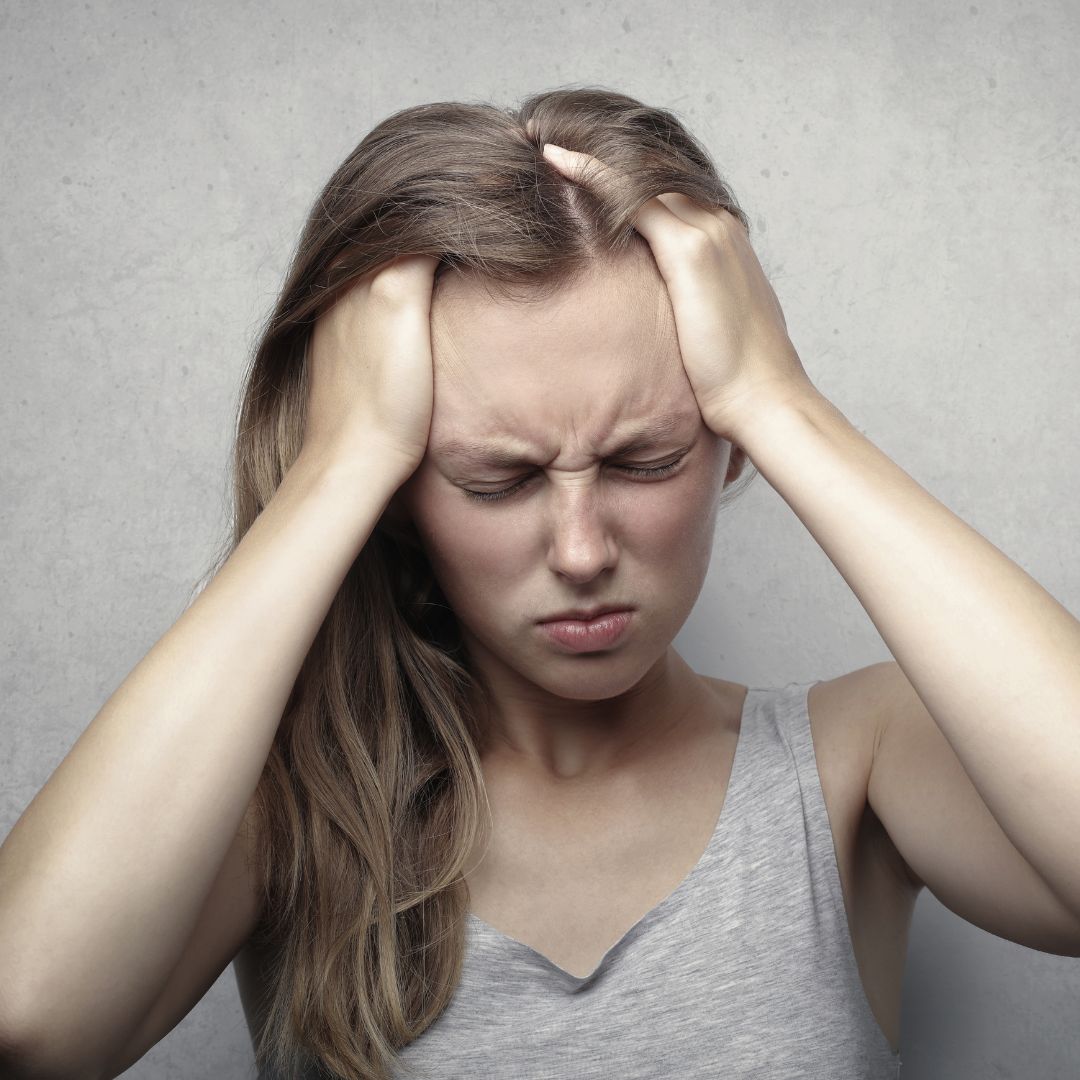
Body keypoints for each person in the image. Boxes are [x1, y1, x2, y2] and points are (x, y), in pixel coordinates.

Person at [2, 86, 1079, 1080]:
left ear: (726, 448)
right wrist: (340, 464)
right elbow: (29, 1018)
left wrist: (779, 400)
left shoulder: (856, 764)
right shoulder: (292, 811)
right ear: (402, 497)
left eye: (644, 459)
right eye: (498, 479)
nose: (580, 550)